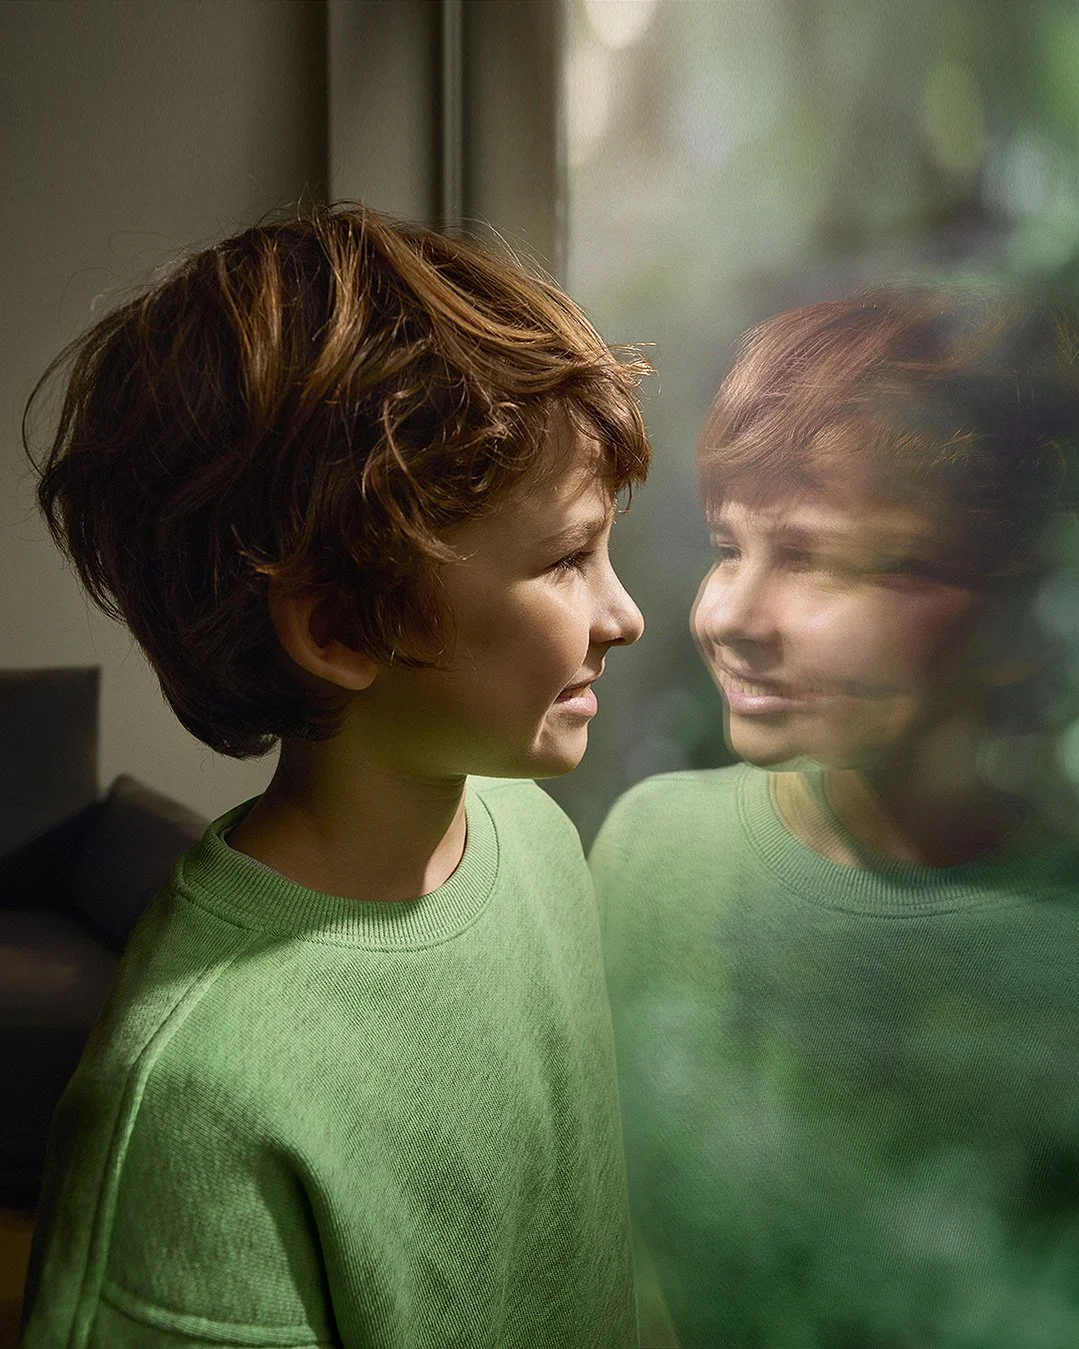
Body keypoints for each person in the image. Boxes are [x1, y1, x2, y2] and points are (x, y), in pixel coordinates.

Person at [20, 204, 650, 1348]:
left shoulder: (535, 839)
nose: (625, 614)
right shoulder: (193, 1101)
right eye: (565, 560)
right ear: (344, 626)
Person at [592, 288, 1079, 1348]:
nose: (730, 617)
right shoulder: (650, 850)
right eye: (729, 545)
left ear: (1014, 605)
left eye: (817, 557)